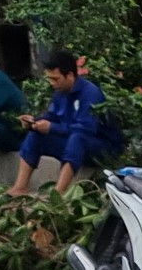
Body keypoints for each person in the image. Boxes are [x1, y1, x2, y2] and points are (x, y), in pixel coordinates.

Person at [8, 49, 122, 196]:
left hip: (101, 148)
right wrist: (34, 122)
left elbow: (86, 129)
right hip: (73, 144)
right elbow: (53, 116)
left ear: (69, 75)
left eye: (55, 79)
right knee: (36, 134)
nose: (52, 83)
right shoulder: (60, 92)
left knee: (77, 138)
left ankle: (58, 193)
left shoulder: (90, 94)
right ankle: (20, 186)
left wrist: (52, 127)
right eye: (49, 79)